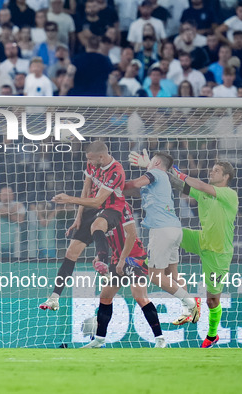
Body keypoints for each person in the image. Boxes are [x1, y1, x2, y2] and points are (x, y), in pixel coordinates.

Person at [39, 141, 125, 311]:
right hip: (91, 210)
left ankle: (104, 267)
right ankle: (54, 298)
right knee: (71, 252)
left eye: (91, 159)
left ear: (101, 157)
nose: (89, 162)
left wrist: (68, 199)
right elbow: (87, 188)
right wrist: (79, 216)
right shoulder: (92, 163)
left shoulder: (117, 171)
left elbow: (98, 201)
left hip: (111, 209)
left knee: (97, 225)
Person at [125, 150, 201, 325]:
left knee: (155, 276)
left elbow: (136, 183)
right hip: (174, 228)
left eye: (151, 161)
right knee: (172, 274)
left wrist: (115, 185)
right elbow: (137, 190)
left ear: (157, 163)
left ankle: (190, 302)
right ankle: (187, 311)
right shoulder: (163, 179)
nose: (147, 163)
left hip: (161, 230)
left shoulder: (154, 173)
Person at [169, 161, 238, 348]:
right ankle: (150, 263)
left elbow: (196, 184)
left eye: (217, 171)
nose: (211, 172)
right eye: (212, 169)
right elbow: (177, 184)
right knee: (170, 232)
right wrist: (155, 168)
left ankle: (213, 334)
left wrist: (182, 174)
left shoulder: (230, 195)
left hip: (218, 253)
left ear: (226, 177)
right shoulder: (203, 193)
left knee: (212, 300)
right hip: (201, 240)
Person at [83, 202, 166, 348]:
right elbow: (106, 239)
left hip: (134, 257)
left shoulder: (122, 206)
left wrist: (123, 260)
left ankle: (160, 338)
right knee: (105, 296)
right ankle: (99, 339)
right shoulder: (99, 213)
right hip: (117, 258)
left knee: (139, 296)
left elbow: (132, 235)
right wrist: (99, 257)